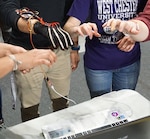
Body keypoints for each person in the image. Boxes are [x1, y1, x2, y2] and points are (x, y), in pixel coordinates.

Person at [0, 0, 79, 122]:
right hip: (26, 54)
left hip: (59, 51)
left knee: (62, 102)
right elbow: (8, 10)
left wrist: (75, 47)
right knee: (30, 110)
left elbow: (72, 16)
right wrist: (37, 27)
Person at [64, 0, 143, 98]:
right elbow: (69, 27)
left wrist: (135, 36)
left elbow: (146, 19)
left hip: (129, 61)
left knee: (126, 105)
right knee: (100, 108)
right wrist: (76, 30)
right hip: (98, 63)